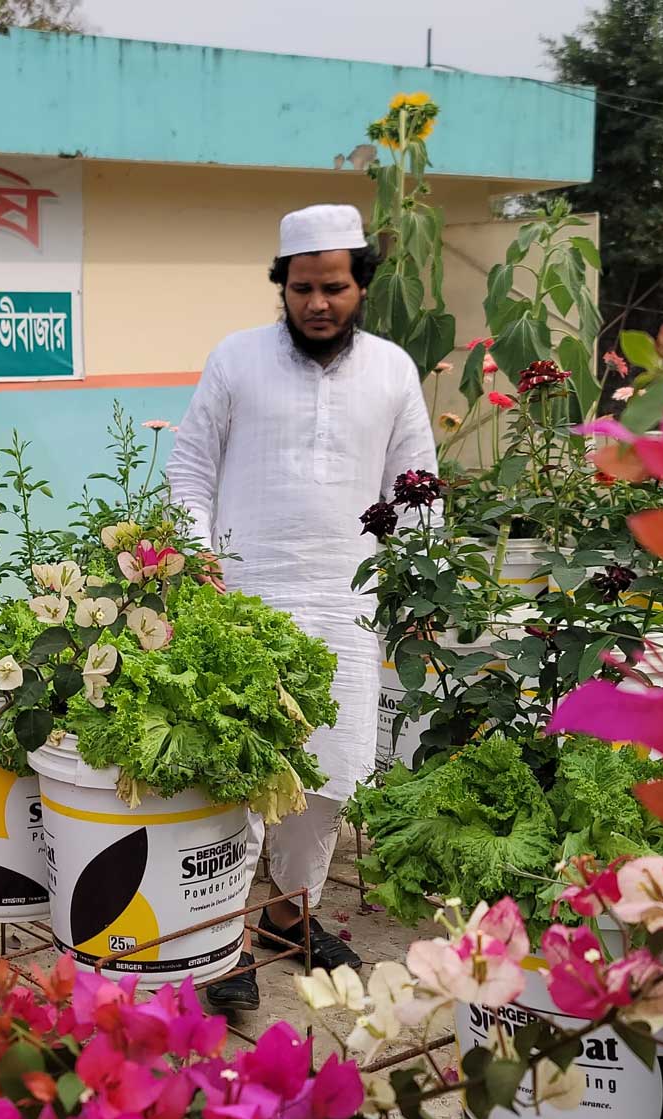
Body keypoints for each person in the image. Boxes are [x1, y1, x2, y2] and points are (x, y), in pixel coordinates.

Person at [165, 204, 439, 1011]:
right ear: (281, 286)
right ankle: (227, 934)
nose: (319, 303)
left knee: (331, 772)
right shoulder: (237, 358)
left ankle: (290, 912)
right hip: (247, 598)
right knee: (243, 772)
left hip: (348, 604)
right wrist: (195, 549)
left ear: (362, 287)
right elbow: (189, 466)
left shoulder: (392, 369)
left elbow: (417, 485)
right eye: (303, 288)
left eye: (336, 288)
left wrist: (420, 584)